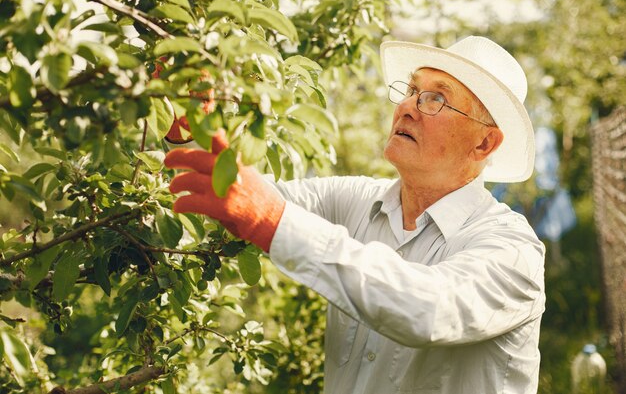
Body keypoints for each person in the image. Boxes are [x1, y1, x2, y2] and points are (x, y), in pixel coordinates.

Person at [164, 36, 546, 394]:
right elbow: (234, 199)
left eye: (436, 100)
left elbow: (429, 309)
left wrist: (271, 219)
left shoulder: (512, 251)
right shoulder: (354, 199)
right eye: (412, 90)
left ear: (484, 142)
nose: (408, 107)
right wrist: (190, 122)